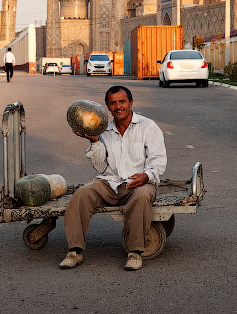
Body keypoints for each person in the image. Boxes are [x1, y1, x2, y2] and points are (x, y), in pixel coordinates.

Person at [60, 85, 167, 271]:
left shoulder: (148, 127)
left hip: (140, 183)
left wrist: (146, 176)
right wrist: (94, 141)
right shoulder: (103, 131)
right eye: (113, 103)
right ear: (108, 107)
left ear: (131, 103)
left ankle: (135, 253)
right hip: (111, 183)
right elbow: (101, 167)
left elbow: (158, 161)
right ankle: (74, 251)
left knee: (141, 197)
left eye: (122, 102)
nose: (118, 106)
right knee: (82, 194)